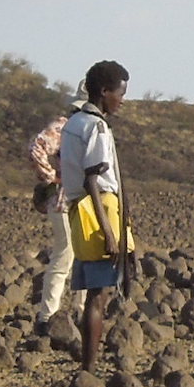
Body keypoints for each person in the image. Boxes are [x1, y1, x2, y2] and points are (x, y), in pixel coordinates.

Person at [61, 62, 136, 371]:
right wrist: (109, 230)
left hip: (83, 209)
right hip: (99, 209)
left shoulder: (73, 123)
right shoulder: (96, 126)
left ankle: (87, 366)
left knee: (97, 292)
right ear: (104, 92)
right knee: (99, 295)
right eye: (120, 93)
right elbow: (94, 178)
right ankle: (88, 369)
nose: (122, 100)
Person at [23, 100, 80, 336]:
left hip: (83, 202)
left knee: (81, 257)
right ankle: (47, 317)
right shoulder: (64, 127)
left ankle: (78, 312)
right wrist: (52, 177)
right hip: (65, 202)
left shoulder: (90, 128)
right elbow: (36, 148)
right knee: (65, 254)